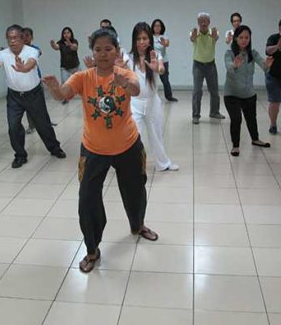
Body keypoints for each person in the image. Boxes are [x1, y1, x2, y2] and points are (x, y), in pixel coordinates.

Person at [41, 28, 158, 273]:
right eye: (98, 49)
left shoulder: (125, 74)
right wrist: (54, 88)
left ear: (117, 51)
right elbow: (63, 94)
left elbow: (136, 89)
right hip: (93, 149)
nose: (103, 54)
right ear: (92, 53)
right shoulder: (83, 77)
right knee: (87, 200)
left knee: (136, 190)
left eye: (108, 49)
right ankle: (92, 250)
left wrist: (125, 83)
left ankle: (137, 225)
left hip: (128, 145)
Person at [0, 24, 66, 168]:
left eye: (15, 37)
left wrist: (24, 68)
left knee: (43, 124)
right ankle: (20, 155)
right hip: (14, 97)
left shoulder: (31, 51)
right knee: (13, 127)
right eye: (9, 38)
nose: (12, 41)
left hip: (33, 94)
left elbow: (30, 64)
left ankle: (55, 148)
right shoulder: (3, 54)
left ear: (22, 38)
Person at [128, 22, 178, 171]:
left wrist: (159, 69)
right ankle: (129, 166)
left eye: (144, 38)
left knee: (156, 135)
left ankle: (163, 164)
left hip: (152, 103)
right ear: (134, 41)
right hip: (134, 103)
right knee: (133, 136)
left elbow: (161, 68)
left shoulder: (155, 55)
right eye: (138, 39)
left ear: (150, 39)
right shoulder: (129, 57)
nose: (142, 42)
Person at [224, 25, 273, 156]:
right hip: (232, 94)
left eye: (247, 37)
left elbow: (264, 66)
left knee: (251, 118)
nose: (244, 40)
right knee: (236, 119)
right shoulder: (229, 54)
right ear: (235, 39)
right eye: (241, 37)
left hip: (249, 93)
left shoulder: (253, 53)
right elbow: (229, 69)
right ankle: (235, 146)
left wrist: (267, 66)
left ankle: (255, 139)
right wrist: (234, 65)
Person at [190, 12, 224, 124]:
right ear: (198, 22)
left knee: (214, 90)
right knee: (197, 91)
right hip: (198, 65)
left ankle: (214, 112)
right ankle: (196, 115)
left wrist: (215, 36)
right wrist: (193, 36)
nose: (203, 23)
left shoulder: (213, 32)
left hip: (211, 65)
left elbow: (216, 36)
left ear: (209, 22)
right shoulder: (194, 32)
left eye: (205, 21)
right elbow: (192, 38)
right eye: (201, 21)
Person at [50, 26, 80, 105]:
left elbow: (75, 48)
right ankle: (66, 98)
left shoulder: (74, 41)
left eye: (68, 33)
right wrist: (52, 44)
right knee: (64, 83)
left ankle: (84, 96)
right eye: (64, 33)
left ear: (71, 34)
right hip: (64, 67)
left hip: (75, 66)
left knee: (81, 82)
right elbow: (56, 47)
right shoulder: (61, 43)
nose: (66, 34)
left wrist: (69, 43)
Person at [151, 18, 178, 102]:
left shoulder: (164, 37)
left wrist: (164, 43)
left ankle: (169, 96)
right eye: (155, 26)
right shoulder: (150, 37)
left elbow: (167, 43)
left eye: (159, 26)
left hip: (163, 61)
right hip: (153, 61)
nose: (157, 27)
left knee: (165, 80)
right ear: (153, 27)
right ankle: (151, 96)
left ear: (161, 27)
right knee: (151, 79)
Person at [23, 27, 41, 134]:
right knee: (28, 106)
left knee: (40, 104)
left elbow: (38, 52)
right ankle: (31, 125)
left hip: (36, 79)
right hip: (25, 82)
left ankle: (44, 123)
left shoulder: (35, 49)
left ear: (31, 37)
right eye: (23, 36)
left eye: (27, 35)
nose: (25, 38)